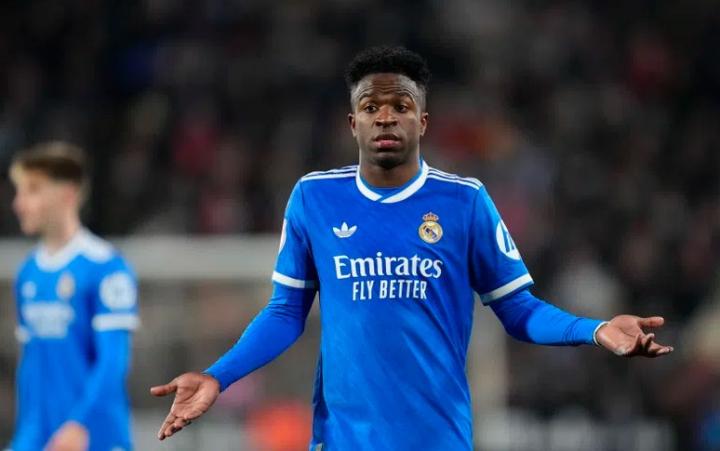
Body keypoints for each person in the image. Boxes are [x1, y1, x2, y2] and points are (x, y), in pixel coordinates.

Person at [151, 46, 673, 450]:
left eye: (400, 106)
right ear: (352, 122)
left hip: (436, 439)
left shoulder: (464, 202)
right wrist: (218, 376)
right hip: (343, 440)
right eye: (370, 107)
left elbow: (518, 311)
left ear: (422, 121)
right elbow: (286, 313)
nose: (385, 117)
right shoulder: (314, 198)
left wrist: (595, 330)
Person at [7, 142, 138, 451]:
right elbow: (32, 368)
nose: (19, 204)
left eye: (33, 190)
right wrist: (25, 436)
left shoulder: (105, 268)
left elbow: (113, 361)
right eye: (19, 192)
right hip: (41, 437)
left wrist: (80, 424)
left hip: (94, 437)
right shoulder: (28, 274)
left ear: (67, 194)